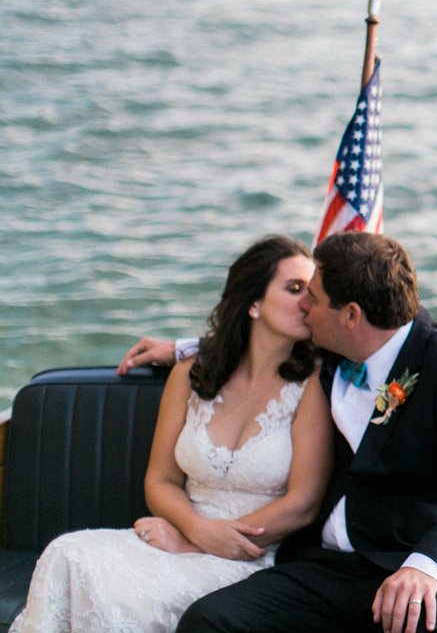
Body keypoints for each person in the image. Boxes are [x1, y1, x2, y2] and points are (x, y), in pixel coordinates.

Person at [122, 232, 437, 633]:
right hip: (326, 565)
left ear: (350, 316)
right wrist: (183, 348)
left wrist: (428, 568)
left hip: (423, 565)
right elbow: (262, 337)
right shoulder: (336, 346)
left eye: (312, 296)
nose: (304, 307)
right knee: (209, 621)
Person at [13, 235, 333, 633]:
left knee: (123, 597)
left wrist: (201, 543)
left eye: (312, 291)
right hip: (177, 533)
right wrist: (193, 530)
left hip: (249, 557)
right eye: (294, 288)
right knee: (67, 554)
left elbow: (302, 503)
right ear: (253, 303)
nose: (308, 301)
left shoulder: (313, 385)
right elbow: (161, 479)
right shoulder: (191, 373)